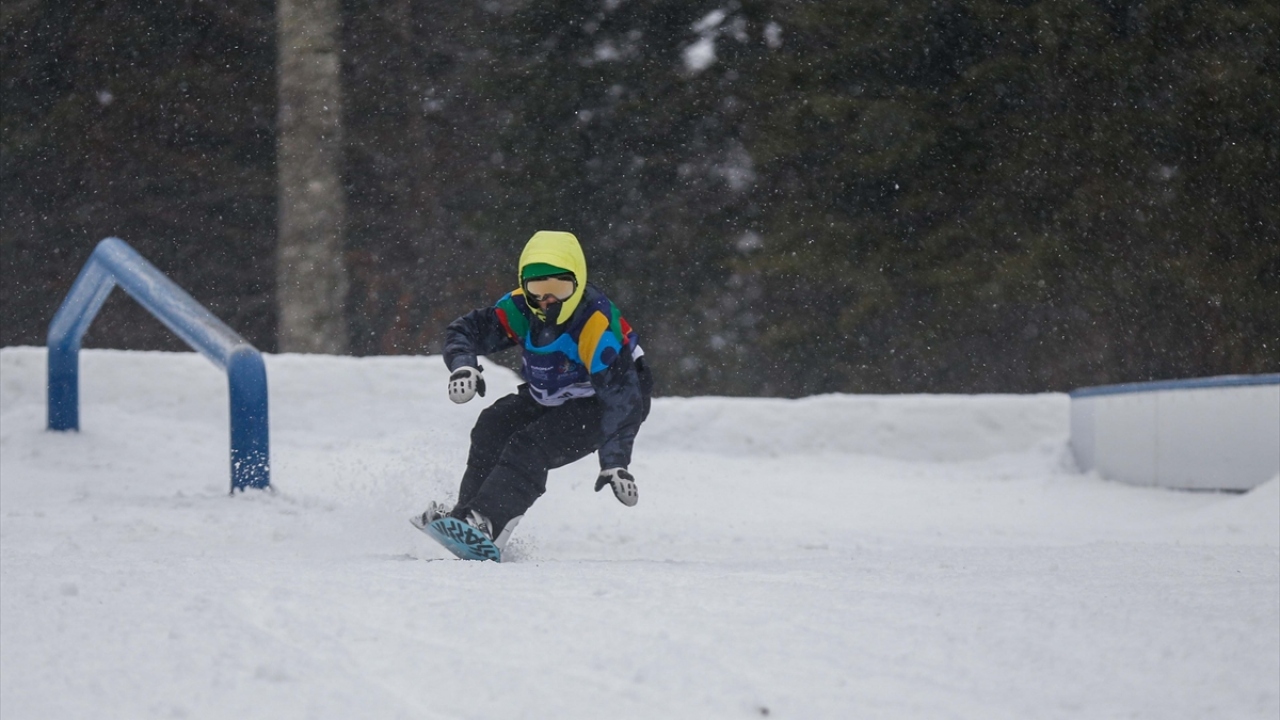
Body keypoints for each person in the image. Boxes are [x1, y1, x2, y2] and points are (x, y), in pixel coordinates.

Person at [415, 230, 653, 551]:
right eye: (537, 290)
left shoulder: (595, 326)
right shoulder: (522, 310)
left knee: (531, 446)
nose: (547, 300)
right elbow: (466, 330)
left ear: (579, 283)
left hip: (604, 401)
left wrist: (615, 460)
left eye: (559, 289)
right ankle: (466, 515)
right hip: (557, 389)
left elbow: (623, 400)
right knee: (493, 425)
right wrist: (464, 364)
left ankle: (489, 523)